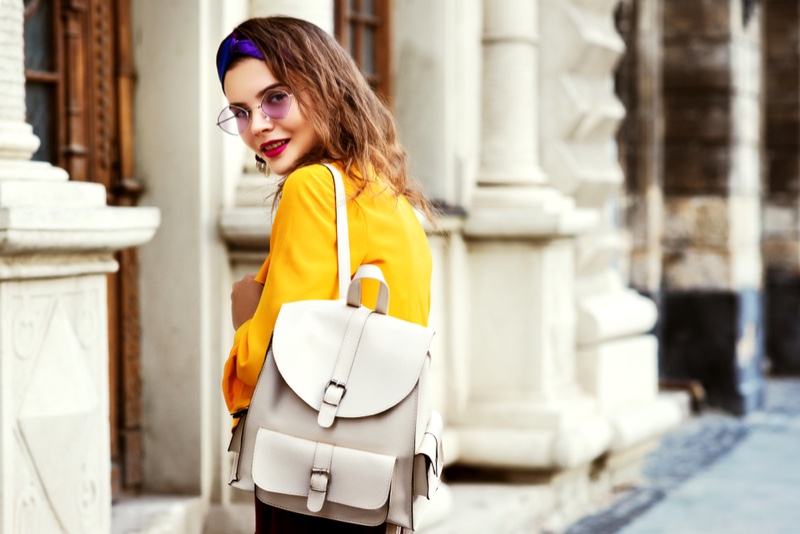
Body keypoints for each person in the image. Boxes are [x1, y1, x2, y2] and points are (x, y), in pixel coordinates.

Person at [215, 16, 434, 533]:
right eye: (241, 112)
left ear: (324, 86)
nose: (259, 126)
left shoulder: (311, 189)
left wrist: (240, 341)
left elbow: (273, 348)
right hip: (377, 471)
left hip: (311, 472)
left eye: (275, 98)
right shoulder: (385, 192)